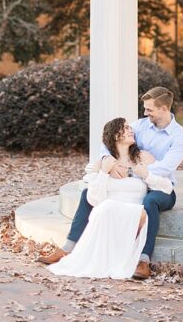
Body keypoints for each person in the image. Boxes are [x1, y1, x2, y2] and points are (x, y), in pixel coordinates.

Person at [39, 87, 183, 279]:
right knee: (88, 194)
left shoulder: (179, 136)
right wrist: (106, 162)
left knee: (150, 202)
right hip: (134, 178)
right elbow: (110, 139)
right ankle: (69, 247)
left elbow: (165, 169)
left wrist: (129, 170)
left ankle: (143, 260)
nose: (145, 113)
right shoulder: (140, 126)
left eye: (149, 109)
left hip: (161, 186)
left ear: (164, 109)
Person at [46, 117, 171, 279]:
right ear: (115, 136)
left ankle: (139, 260)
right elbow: (93, 199)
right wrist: (104, 172)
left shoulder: (144, 157)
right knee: (105, 206)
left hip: (134, 211)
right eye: (125, 128)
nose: (131, 130)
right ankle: (73, 250)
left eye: (129, 127)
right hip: (109, 210)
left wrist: (146, 175)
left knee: (121, 210)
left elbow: (167, 187)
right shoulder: (104, 163)